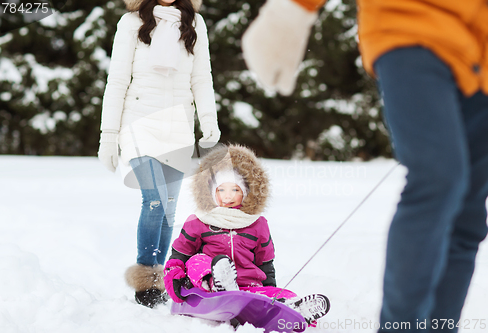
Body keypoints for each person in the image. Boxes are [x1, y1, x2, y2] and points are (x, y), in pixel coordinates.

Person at [241, 0, 488, 332]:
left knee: (468, 213)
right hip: (411, 24)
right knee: (439, 180)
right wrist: (294, 9)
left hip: (481, 56)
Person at [97, 0, 220, 308]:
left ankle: (159, 279)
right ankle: (146, 282)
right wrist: (108, 136)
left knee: (167, 206)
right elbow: (117, 81)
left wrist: (209, 120)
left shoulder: (194, 24)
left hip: (177, 127)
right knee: (153, 200)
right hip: (138, 123)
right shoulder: (131, 23)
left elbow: (201, 78)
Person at [163, 144, 330, 326]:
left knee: (280, 293)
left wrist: (270, 294)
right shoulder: (199, 221)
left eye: (234, 190)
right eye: (221, 190)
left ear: (245, 193)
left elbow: (265, 263)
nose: (227, 196)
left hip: (248, 288)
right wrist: (175, 277)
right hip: (206, 289)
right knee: (197, 260)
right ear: (212, 192)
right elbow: (180, 255)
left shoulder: (256, 224)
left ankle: (293, 307)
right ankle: (219, 282)